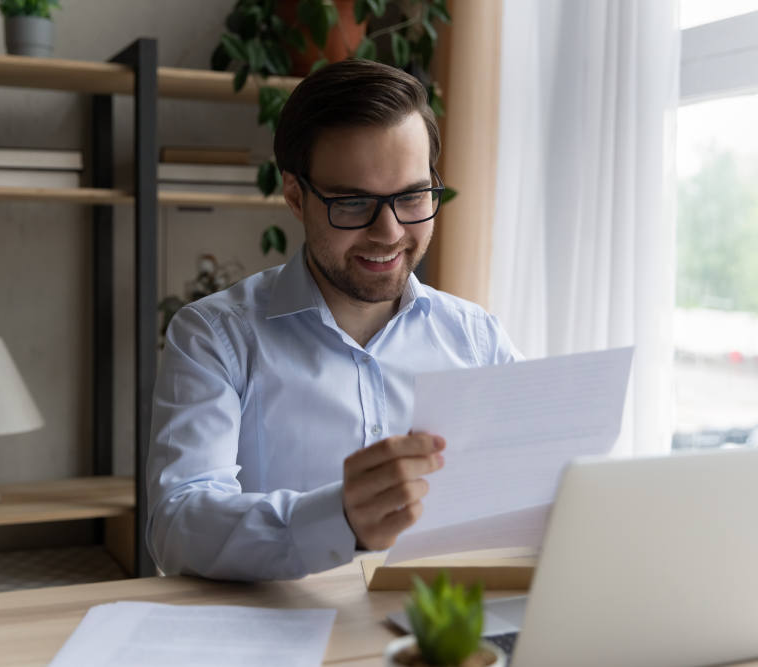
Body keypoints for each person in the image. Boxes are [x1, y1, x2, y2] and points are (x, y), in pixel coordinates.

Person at [147, 59, 521, 582]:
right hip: (283, 627)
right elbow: (177, 524)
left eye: (412, 196)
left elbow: (537, 485)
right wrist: (337, 520)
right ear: (295, 197)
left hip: (436, 622)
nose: (389, 232)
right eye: (353, 202)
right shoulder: (214, 337)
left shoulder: (477, 339)